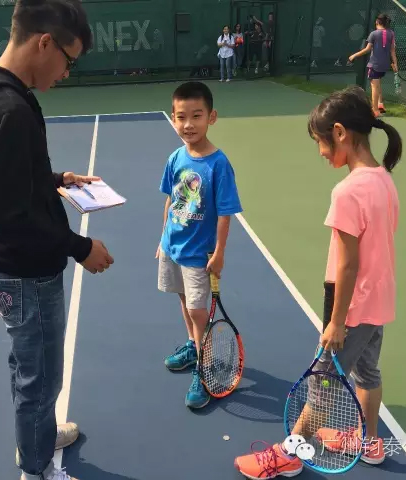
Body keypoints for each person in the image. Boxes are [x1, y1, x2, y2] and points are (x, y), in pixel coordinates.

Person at [0, 1, 114, 479]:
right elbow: (11, 217)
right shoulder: (8, 110)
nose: (66, 73)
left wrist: (56, 179)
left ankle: (38, 435)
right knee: (41, 379)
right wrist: (81, 248)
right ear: (44, 42)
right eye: (68, 60)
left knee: (29, 367)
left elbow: (8, 178)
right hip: (25, 275)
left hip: (9, 270)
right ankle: (38, 468)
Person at [234, 85, 402, 478]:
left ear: (340, 133)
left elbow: (348, 265)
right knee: (367, 373)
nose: (321, 152)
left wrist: (338, 322)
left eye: (320, 142)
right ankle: (369, 442)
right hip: (378, 302)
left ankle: (290, 454)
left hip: (352, 308)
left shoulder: (348, 191)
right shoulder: (384, 179)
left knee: (322, 382)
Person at [156, 81, 243, 409]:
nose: (188, 124)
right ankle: (195, 347)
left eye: (196, 116)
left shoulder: (219, 164)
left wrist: (219, 253)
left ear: (211, 117)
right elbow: (171, 200)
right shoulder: (175, 157)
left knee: (197, 309)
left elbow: (225, 214)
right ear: (173, 119)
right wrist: (162, 239)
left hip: (198, 254)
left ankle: (203, 368)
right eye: (181, 117)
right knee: (183, 299)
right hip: (173, 248)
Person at [349, 13, 399, 117]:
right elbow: (392, 51)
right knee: (377, 83)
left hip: (375, 64)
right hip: (384, 65)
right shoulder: (391, 33)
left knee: (374, 87)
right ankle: (380, 104)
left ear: (377, 22)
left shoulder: (374, 34)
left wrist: (354, 55)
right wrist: (395, 64)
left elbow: (367, 49)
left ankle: (375, 110)